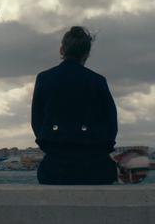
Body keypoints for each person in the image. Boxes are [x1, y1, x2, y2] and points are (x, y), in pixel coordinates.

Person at [31, 26, 118, 185]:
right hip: (95, 169)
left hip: (54, 169)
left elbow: (37, 122)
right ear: (87, 54)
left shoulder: (44, 79)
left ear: (62, 49)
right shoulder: (97, 81)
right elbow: (111, 125)